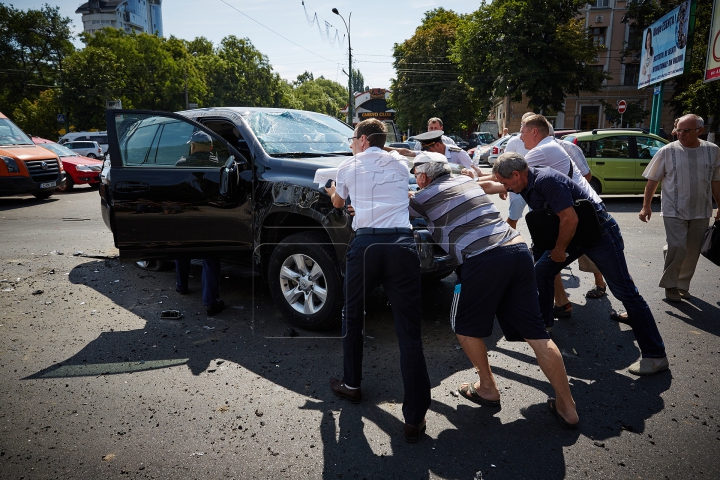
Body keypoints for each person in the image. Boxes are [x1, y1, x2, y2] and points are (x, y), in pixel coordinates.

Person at [408, 152, 579, 428]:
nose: (416, 181)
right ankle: (567, 407)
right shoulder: (468, 184)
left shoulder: (422, 197)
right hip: (517, 249)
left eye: (417, 176)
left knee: (464, 326)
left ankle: (487, 386)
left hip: (482, 259)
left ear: (423, 176)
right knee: (536, 334)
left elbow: (398, 211)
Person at [484, 153, 669, 376]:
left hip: (599, 235)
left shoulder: (545, 181)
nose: (505, 188)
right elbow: (491, 185)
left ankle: (656, 355)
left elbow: (570, 218)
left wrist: (560, 251)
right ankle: (543, 327)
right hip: (574, 235)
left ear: (516, 174)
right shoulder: (523, 180)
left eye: (505, 183)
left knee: (626, 292)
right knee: (541, 271)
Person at [324, 118, 431, 443]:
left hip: (366, 245)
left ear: (363, 139)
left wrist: (331, 190)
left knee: (353, 314)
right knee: (409, 329)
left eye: (353, 137)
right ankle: (414, 418)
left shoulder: (348, 165)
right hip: (400, 245)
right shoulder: (401, 163)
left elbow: (339, 204)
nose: (351, 142)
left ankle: (352, 384)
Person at [517, 114, 603, 318]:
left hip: (578, 214)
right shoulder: (554, 147)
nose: (520, 137)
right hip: (559, 214)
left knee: (600, 258)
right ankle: (559, 305)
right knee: (546, 260)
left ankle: (603, 287)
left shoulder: (543, 151)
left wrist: (563, 192)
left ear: (535, 131)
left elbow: (515, 174)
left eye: (522, 131)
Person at [638, 114, 720, 302]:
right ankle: (671, 286)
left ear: (700, 131)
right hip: (673, 209)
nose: (680, 134)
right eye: (678, 130)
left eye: (686, 130)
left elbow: (716, 182)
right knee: (678, 246)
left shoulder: (713, 151)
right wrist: (646, 207)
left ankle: (682, 285)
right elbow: (652, 181)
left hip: (701, 209)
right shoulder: (667, 151)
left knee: (691, 250)